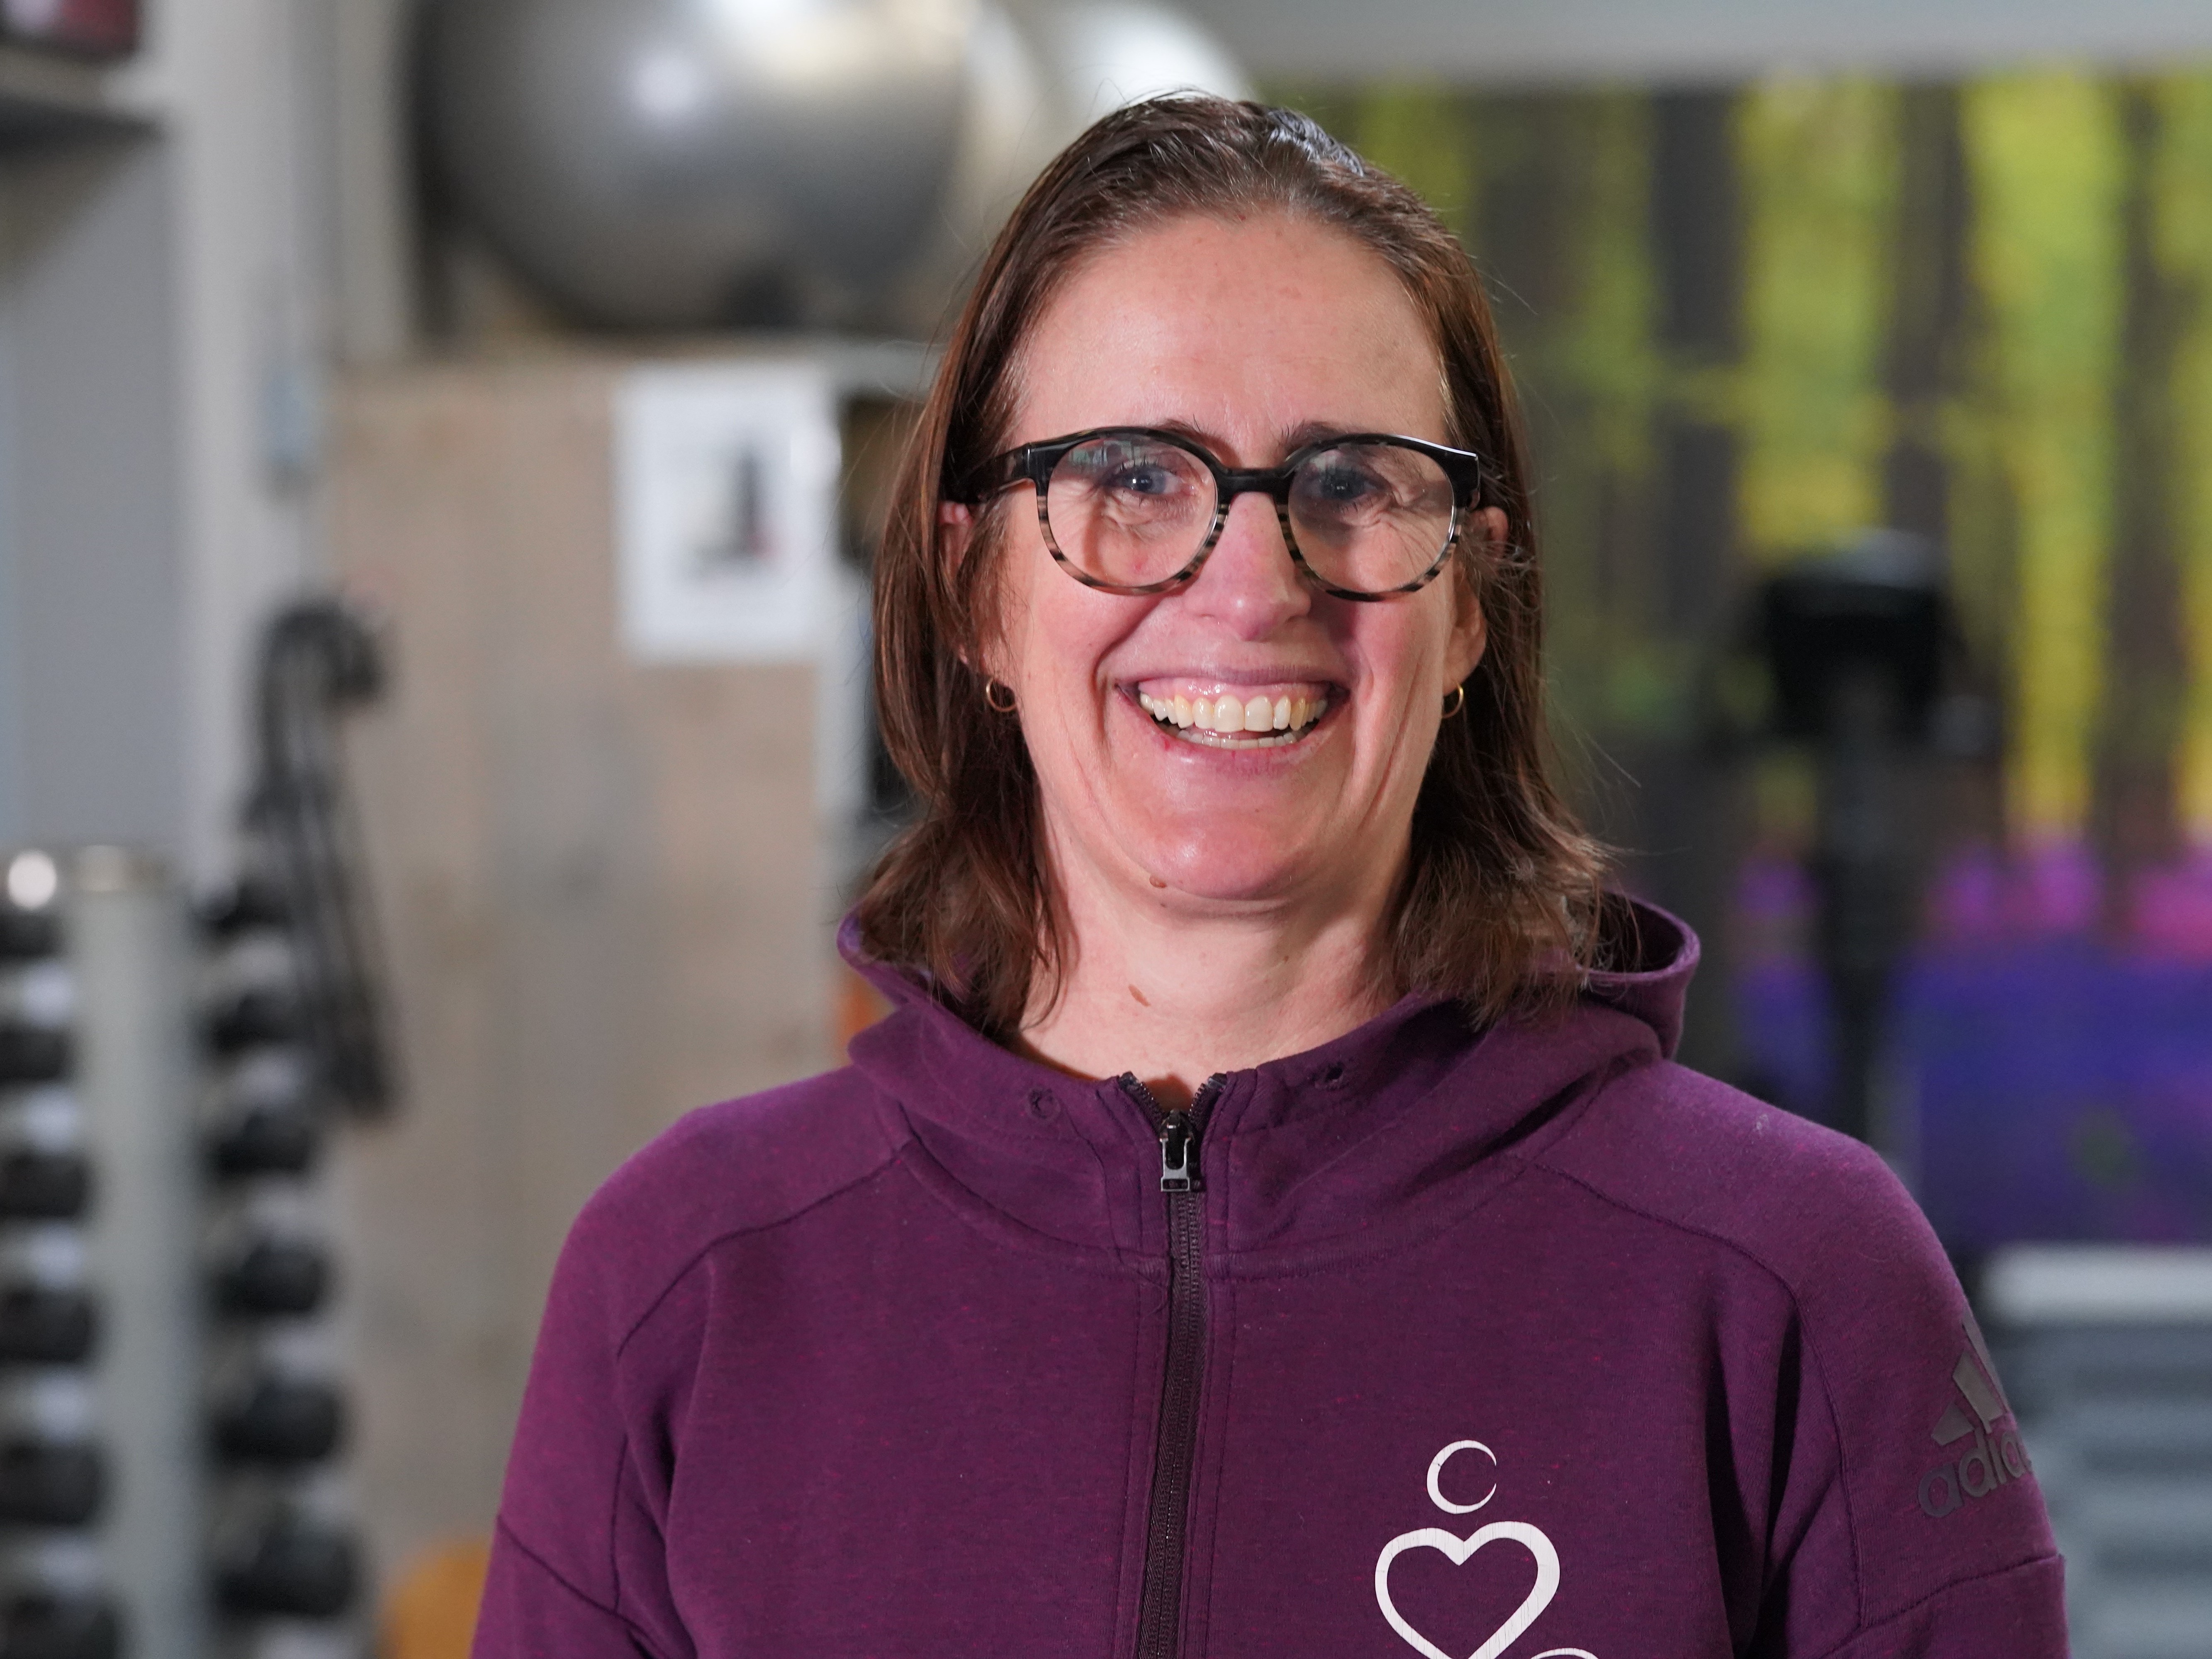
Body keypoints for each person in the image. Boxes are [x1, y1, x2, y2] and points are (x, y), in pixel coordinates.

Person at [474, 98, 2065, 1658]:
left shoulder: (1794, 1279)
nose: (1248, 587)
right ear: (974, 591)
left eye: (1353, 484)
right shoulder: (688, 1282)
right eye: (1131, 479)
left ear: (1471, 605)